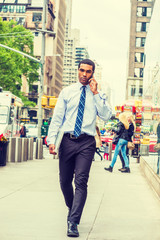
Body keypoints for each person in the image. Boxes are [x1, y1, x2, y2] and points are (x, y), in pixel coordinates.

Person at [47, 59, 112, 237]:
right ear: (78, 71)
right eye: (82, 70)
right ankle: (72, 207)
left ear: (93, 73)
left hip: (86, 142)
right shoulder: (67, 92)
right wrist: (51, 140)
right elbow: (57, 118)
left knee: (81, 181)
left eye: (88, 72)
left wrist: (96, 93)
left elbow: (107, 115)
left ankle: (73, 222)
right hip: (68, 141)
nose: (84, 74)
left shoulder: (98, 94)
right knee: (64, 181)